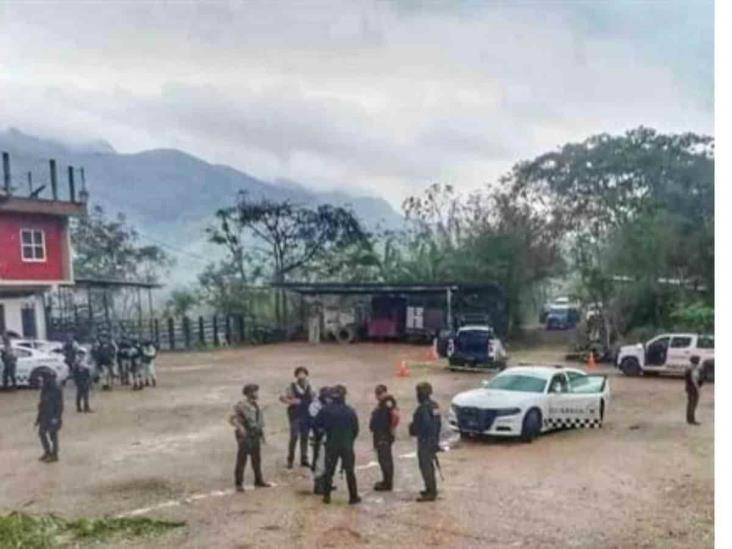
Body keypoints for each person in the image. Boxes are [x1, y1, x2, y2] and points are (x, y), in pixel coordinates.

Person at [316, 384, 361, 505]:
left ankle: (326, 496)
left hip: (331, 443)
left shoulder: (325, 410)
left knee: (329, 470)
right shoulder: (350, 411)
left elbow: (317, 425)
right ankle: (353, 496)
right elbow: (356, 429)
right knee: (350, 471)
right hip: (346, 445)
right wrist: (349, 440)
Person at [229, 383, 271, 492]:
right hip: (245, 434)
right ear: (249, 393)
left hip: (255, 433)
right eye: (255, 391)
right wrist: (240, 428)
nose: (257, 393)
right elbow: (232, 419)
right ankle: (239, 483)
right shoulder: (241, 405)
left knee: (256, 459)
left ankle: (258, 480)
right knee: (242, 459)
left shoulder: (255, 405)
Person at [409, 382, 441, 502]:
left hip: (425, 441)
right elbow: (438, 423)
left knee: (426, 466)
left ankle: (431, 492)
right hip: (433, 439)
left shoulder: (422, 408)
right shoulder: (434, 406)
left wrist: (415, 430)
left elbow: (425, 424)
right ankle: (430, 489)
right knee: (429, 466)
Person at [279, 366, 314, 468]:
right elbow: (282, 397)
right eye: (299, 373)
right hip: (295, 414)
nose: (301, 375)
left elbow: (314, 397)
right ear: (296, 375)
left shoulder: (310, 386)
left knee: (305, 437)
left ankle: (304, 458)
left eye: (303, 373)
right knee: (294, 436)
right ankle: (290, 459)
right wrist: (290, 401)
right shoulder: (291, 387)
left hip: (306, 414)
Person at [369, 384, 399, 491]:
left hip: (383, 434)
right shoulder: (384, 403)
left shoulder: (387, 402)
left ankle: (387, 482)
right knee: (383, 459)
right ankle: (386, 480)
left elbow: (395, 417)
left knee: (385, 459)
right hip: (381, 434)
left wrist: (391, 430)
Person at [309, 386, 333, 495]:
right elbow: (315, 423)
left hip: (327, 437)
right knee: (318, 462)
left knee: (328, 461)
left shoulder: (329, 405)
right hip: (318, 438)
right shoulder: (315, 406)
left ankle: (327, 483)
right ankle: (318, 486)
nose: (329, 399)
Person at [36, 371, 64, 462]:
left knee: (53, 435)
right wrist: (38, 418)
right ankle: (47, 452)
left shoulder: (56, 390)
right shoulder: (44, 389)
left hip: (53, 416)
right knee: (41, 433)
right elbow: (41, 404)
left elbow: (60, 405)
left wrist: (56, 417)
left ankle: (54, 454)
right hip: (44, 415)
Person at [685, 355, 704, 425]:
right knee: (692, 404)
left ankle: (690, 419)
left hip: (692, 388)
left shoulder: (691, 368)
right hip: (693, 388)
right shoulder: (693, 369)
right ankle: (691, 419)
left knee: (691, 404)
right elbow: (696, 380)